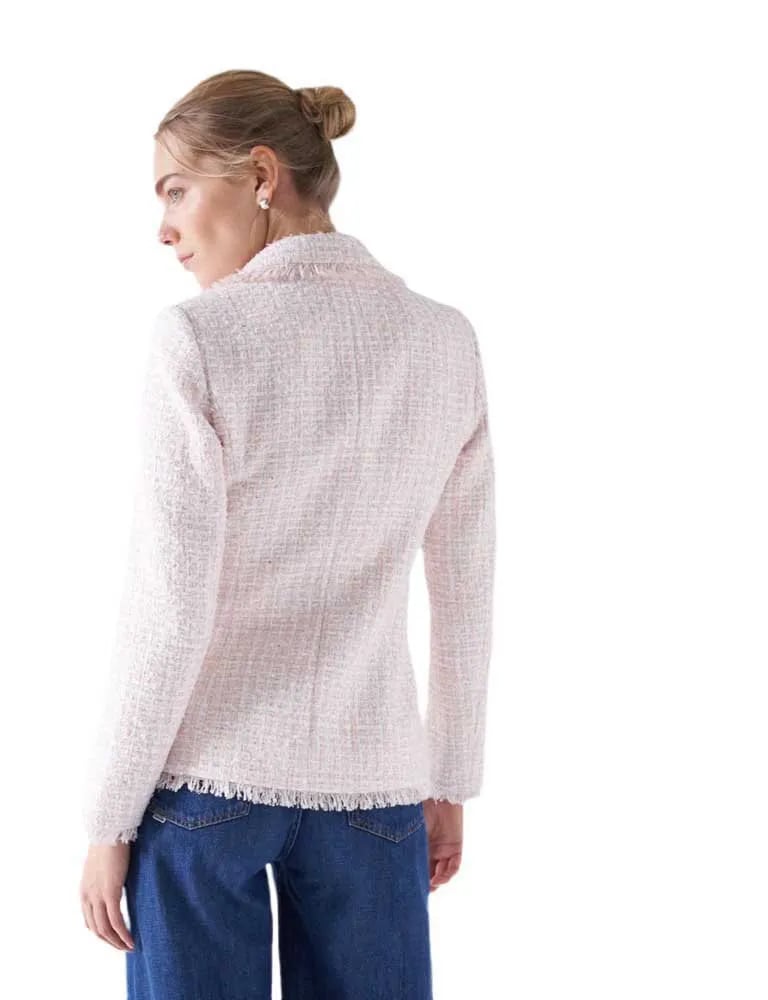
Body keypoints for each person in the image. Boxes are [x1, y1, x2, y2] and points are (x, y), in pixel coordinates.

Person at [78, 69, 496, 1000]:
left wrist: (108, 822)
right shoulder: (445, 340)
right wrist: (450, 779)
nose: (163, 229)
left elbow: (169, 606)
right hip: (377, 788)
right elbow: (466, 583)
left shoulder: (199, 339)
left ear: (262, 175)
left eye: (175, 190)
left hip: (207, 785)